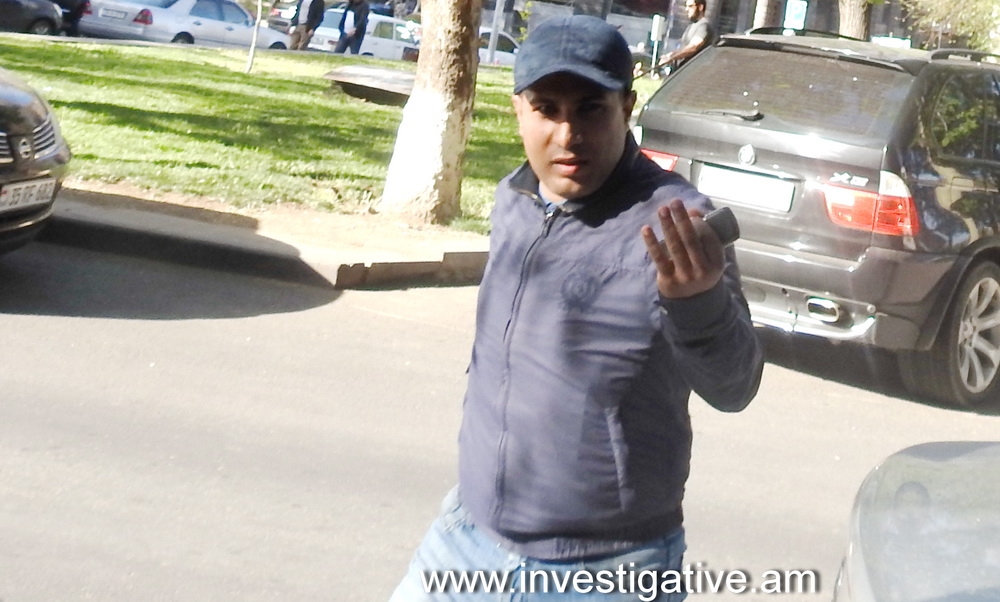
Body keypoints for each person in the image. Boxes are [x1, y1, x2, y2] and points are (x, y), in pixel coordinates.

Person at [388, 14, 762, 602]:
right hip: (467, 541)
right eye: (547, 109)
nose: (567, 135)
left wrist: (700, 304)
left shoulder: (675, 225)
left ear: (627, 108)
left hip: (604, 572)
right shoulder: (515, 197)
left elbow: (735, 386)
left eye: (590, 109)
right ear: (518, 110)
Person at [657, 0, 716, 72]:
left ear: (700, 7)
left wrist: (672, 57)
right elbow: (684, 48)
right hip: (681, 70)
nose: (687, 9)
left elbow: (693, 47)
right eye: (686, 6)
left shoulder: (703, 25)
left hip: (693, 72)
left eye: (690, 6)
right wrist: (669, 55)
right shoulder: (691, 26)